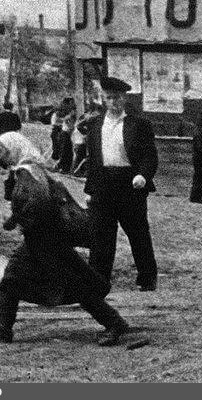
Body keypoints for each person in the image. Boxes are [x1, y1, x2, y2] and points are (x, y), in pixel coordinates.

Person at [0, 153, 147, 348]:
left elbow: (39, 204)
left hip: (44, 240)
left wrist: (18, 219)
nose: (1, 154)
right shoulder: (27, 172)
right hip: (41, 239)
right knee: (13, 278)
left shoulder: (27, 173)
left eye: (4, 151)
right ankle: (2, 328)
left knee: (72, 283)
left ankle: (115, 323)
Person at [79, 76, 158, 292]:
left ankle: (147, 277)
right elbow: (94, 159)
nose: (113, 102)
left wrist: (143, 175)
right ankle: (98, 280)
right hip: (103, 184)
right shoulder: (95, 125)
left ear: (124, 99)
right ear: (103, 99)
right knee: (100, 234)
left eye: (117, 98)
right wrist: (90, 190)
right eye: (108, 98)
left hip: (130, 184)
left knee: (137, 232)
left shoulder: (138, 124)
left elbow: (149, 156)